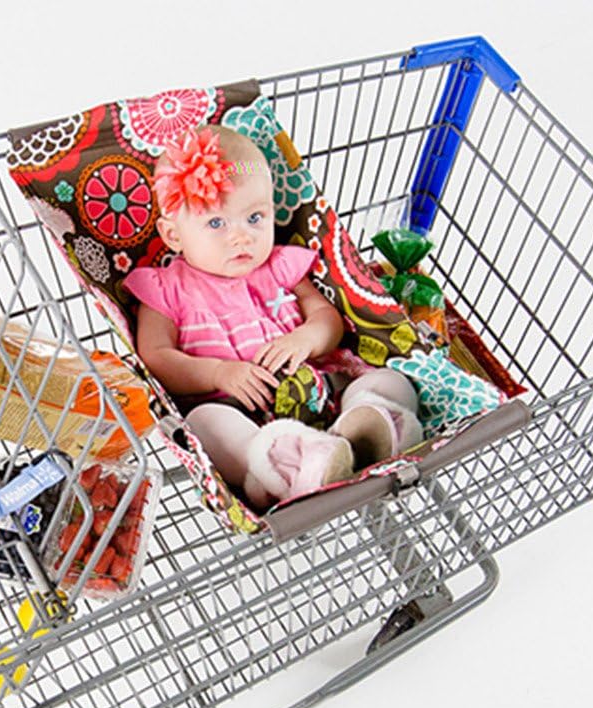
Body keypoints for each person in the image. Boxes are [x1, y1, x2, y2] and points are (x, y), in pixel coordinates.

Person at [124, 125, 423, 508]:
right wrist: (218, 373)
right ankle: (285, 462)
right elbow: (156, 357)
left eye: (255, 217)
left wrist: (305, 339)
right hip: (240, 410)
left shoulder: (279, 266)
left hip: (320, 390)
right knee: (204, 424)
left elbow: (326, 318)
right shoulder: (166, 288)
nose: (242, 237)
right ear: (173, 235)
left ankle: (367, 428)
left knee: (390, 380)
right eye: (217, 223)